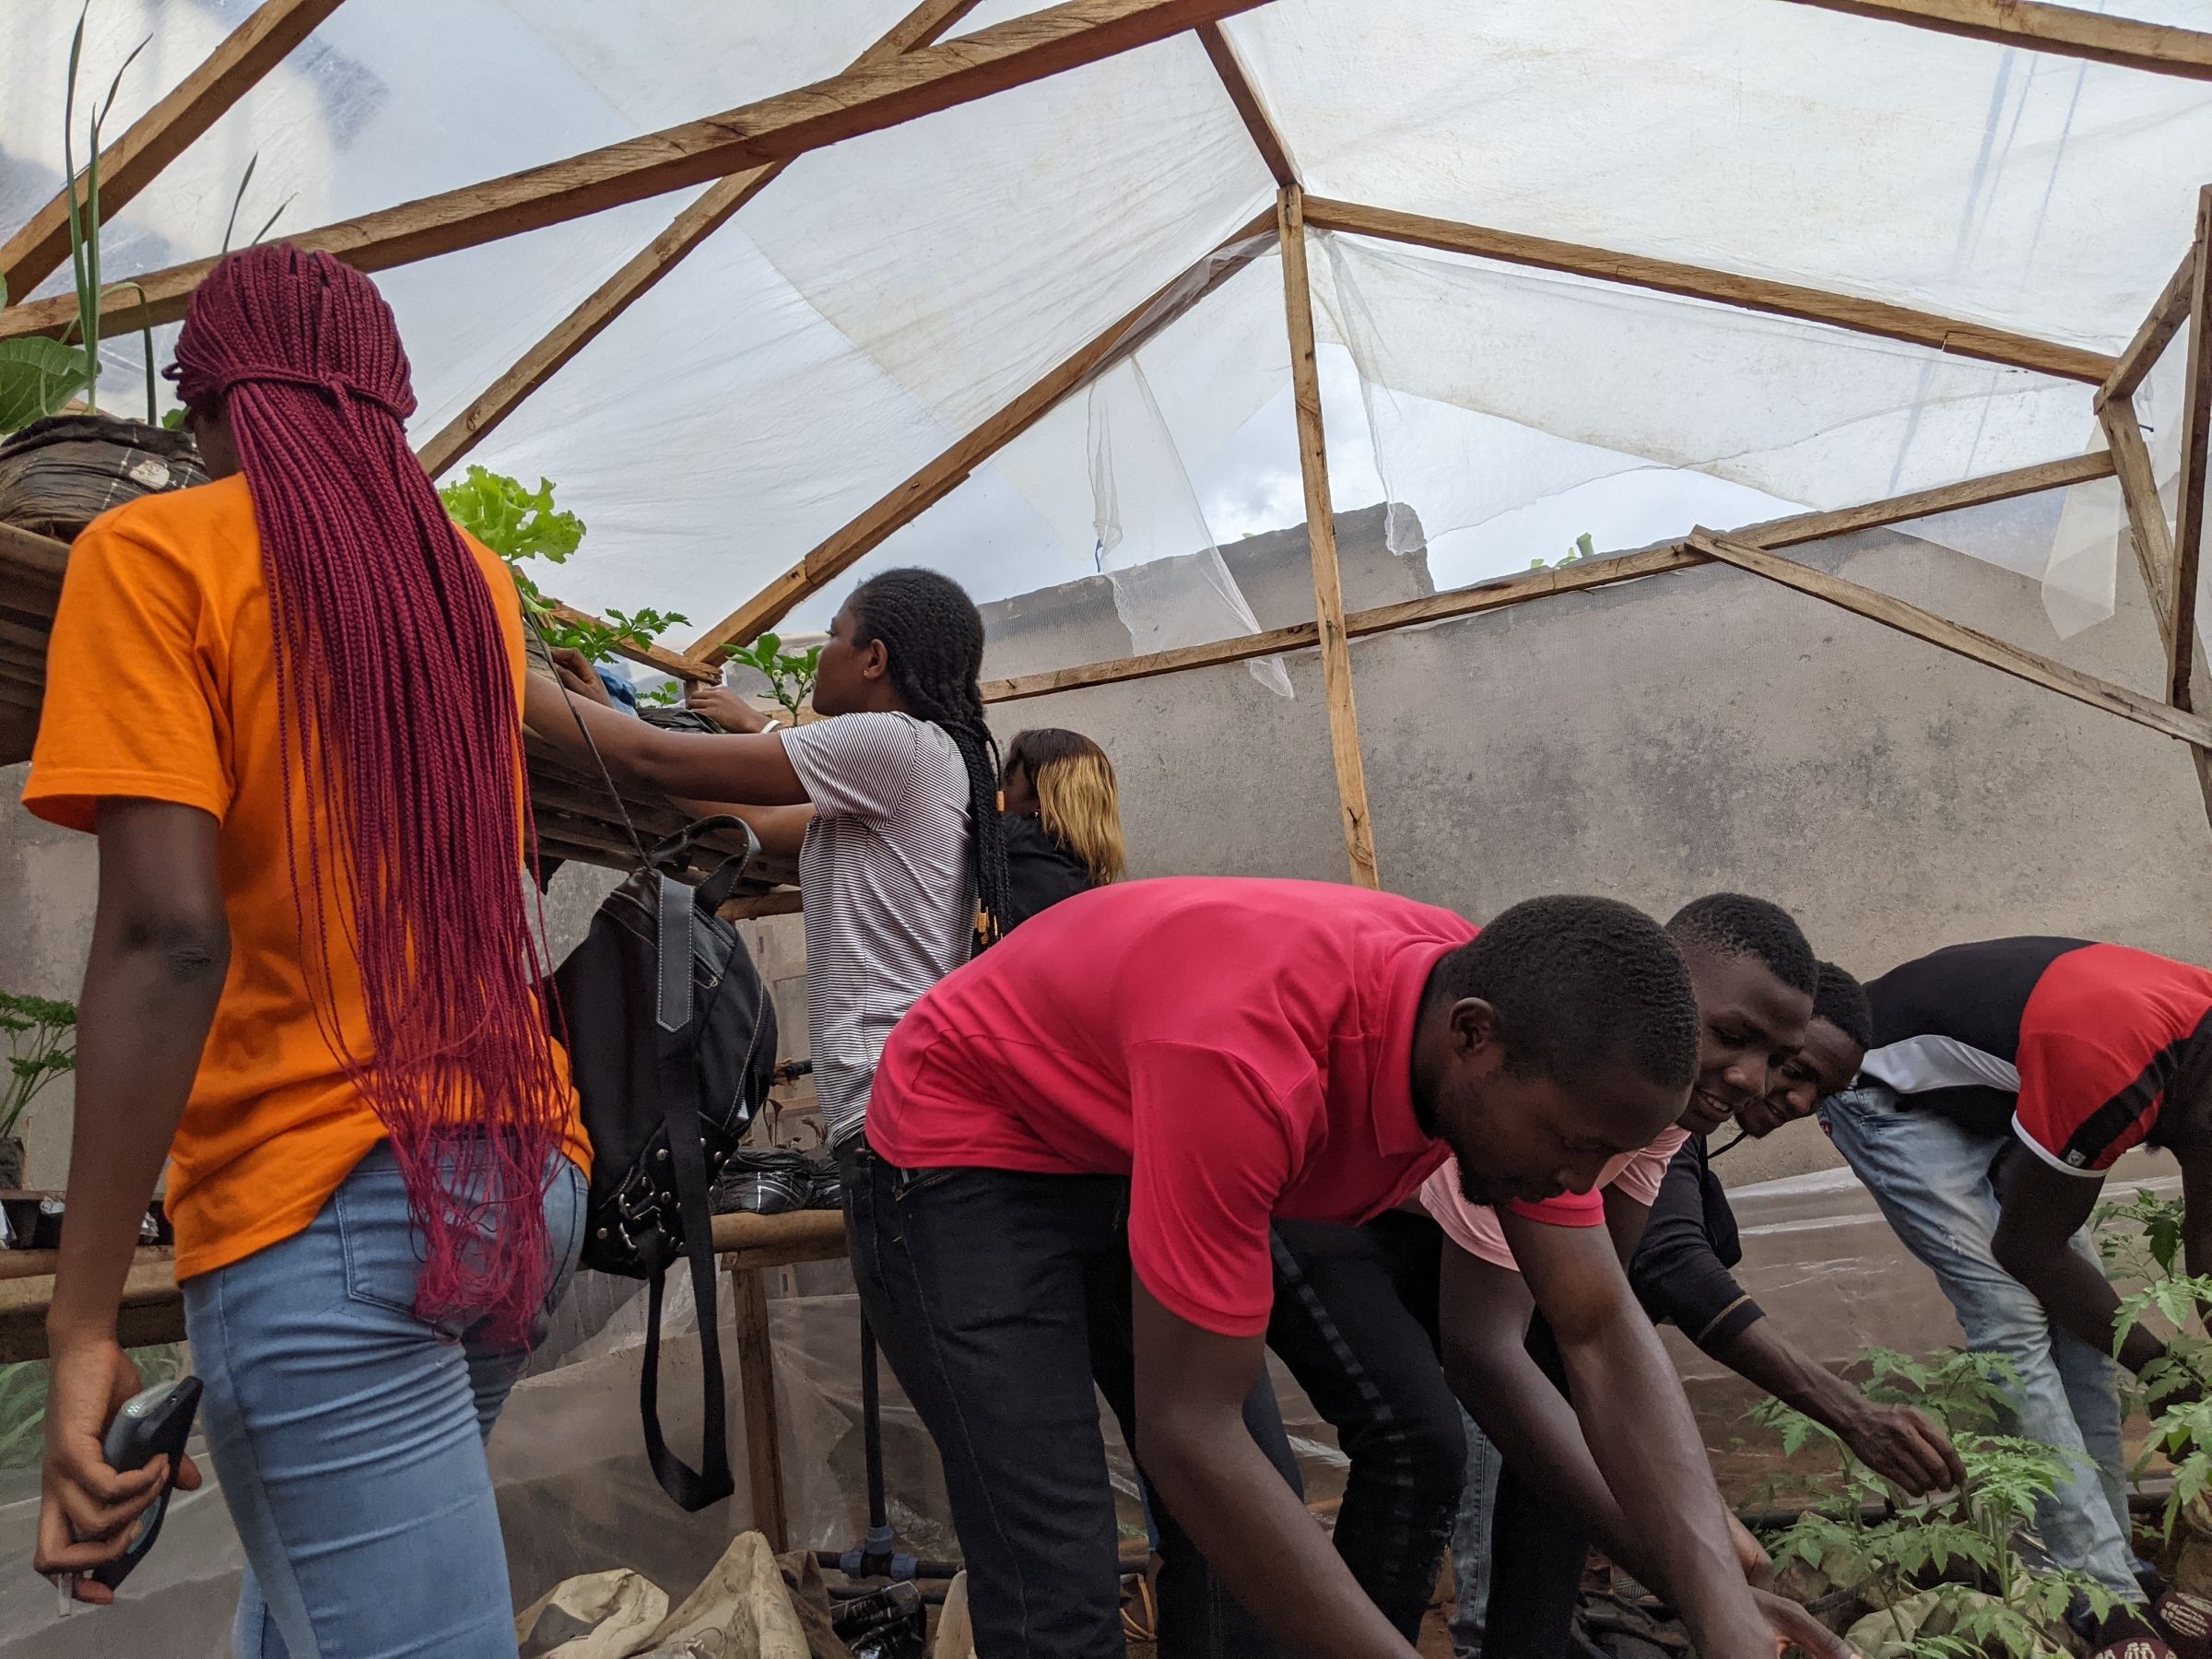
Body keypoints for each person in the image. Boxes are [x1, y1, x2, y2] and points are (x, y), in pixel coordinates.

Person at [27, 245, 592, 1656]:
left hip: (336, 1212)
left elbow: (166, 938)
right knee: (308, 1619)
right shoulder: (473, 585)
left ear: (207, 405)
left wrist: (84, 1320)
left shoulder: (151, 554)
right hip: (527, 1178)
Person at [853, 877, 1841, 1659]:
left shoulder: (1520, 1037)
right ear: (1472, 1039)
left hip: (1128, 1127)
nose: (1571, 1185)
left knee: (1246, 1539)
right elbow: (1188, 1430)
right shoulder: (1254, 1058)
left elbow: (1595, 1324)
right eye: (1572, 1147)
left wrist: (1715, 1598)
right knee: (1059, 1564)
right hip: (964, 1145)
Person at [1438, 896, 1855, 1659]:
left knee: (1565, 1407)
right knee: (1418, 1441)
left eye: (1781, 1062)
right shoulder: (1571, 1088)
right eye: (1734, 1037)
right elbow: (1488, 1344)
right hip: (1374, 1237)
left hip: (1478, 1278)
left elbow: (1600, 1316)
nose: (1757, 1083)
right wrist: (1694, 1575)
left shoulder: (1660, 1116)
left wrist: (1694, 1546)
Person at [532, 567, 1012, 1180]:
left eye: (834, 636)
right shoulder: (918, 766)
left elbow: (654, 758)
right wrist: (609, 717)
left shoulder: (892, 744)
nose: (820, 655)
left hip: (907, 1121)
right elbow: (742, 824)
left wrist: (491, 658)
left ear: (873, 659)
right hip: (911, 1117)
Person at [1816, 937, 2212, 1626]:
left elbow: (2210, 1238)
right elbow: (2028, 1249)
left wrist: (2198, 1407)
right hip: (1888, 1089)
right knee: (2011, 1316)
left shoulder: (2201, 1055)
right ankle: (2096, 1595)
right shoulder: (2116, 1067)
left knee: (2086, 1331)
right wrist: (2166, 1374)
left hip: (2008, 1092)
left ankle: (2119, 1568)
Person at [998, 726, 1125, 930]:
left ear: (1040, 804)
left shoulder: (1012, 848)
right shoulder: (1090, 886)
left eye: (1007, 782)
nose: (1000, 793)